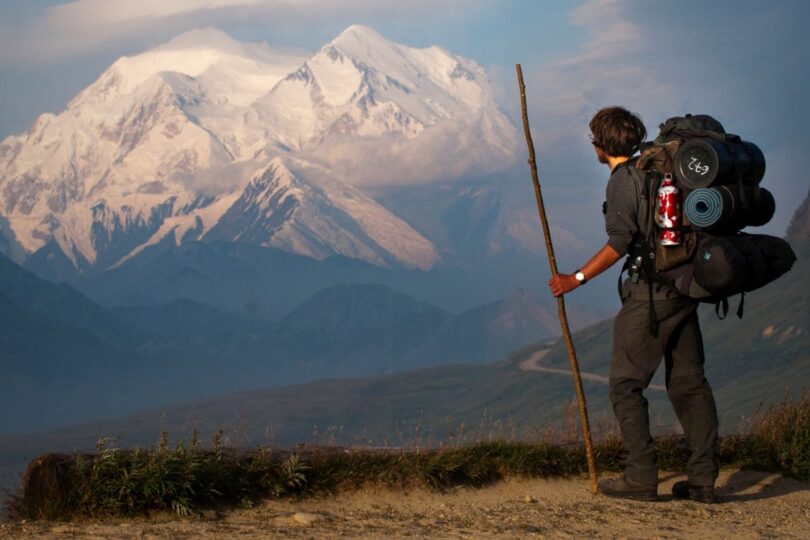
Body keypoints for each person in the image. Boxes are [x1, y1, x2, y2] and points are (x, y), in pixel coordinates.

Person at [548, 106, 718, 503]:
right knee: (689, 384)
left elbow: (620, 242)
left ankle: (641, 477)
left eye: (594, 138)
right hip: (686, 286)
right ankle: (703, 481)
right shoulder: (661, 167)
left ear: (601, 144)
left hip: (651, 294)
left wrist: (575, 279)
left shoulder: (624, 180)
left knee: (625, 385)